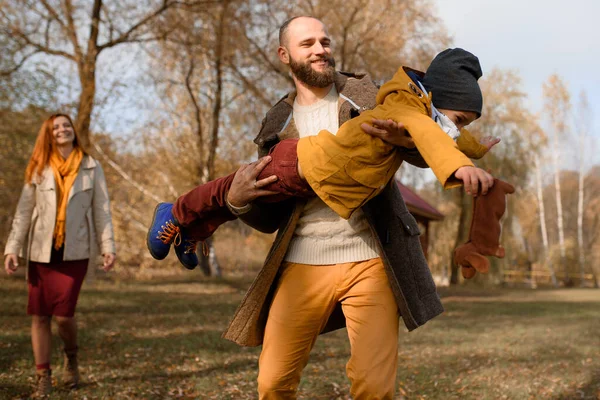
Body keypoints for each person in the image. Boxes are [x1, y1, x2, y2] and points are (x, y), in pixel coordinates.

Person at [151, 16, 496, 399]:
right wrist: (237, 201)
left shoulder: (369, 96)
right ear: (285, 55)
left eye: (325, 41)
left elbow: (429, 135)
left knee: (375, 387)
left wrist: (471, 150)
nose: (320, 49)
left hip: (371, 260)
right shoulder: (277, 121)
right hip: (302, 256)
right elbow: (267, 214)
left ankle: (188, 226)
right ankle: (181, 216)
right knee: (273, 382)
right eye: (308, 43)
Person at [146, 49, 499, 271]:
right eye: (460, 121)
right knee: (234, 187)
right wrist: (461, 166)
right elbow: (431, 136)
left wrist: (476, 148)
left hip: (316, 177)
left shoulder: (431, 113)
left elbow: (445, 134)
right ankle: (175, 212)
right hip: (300, 163)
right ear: (437, 100)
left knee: (242, 197)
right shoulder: (410, 109)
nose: (458, 130)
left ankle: (191, 229)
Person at [4, 113, 116, 397]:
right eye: (56, 127)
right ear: (49, 134)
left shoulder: (92, 166)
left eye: (66, 125)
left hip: (75, 251)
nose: (62, 130)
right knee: (40, 315)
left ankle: (71, 358)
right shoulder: (38, 167)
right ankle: (43, 375)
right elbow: (24, 211)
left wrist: (108, 247)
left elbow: (102, 211)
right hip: (41, 251)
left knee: (64, 316)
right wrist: (12, 248)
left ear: (73, 131)